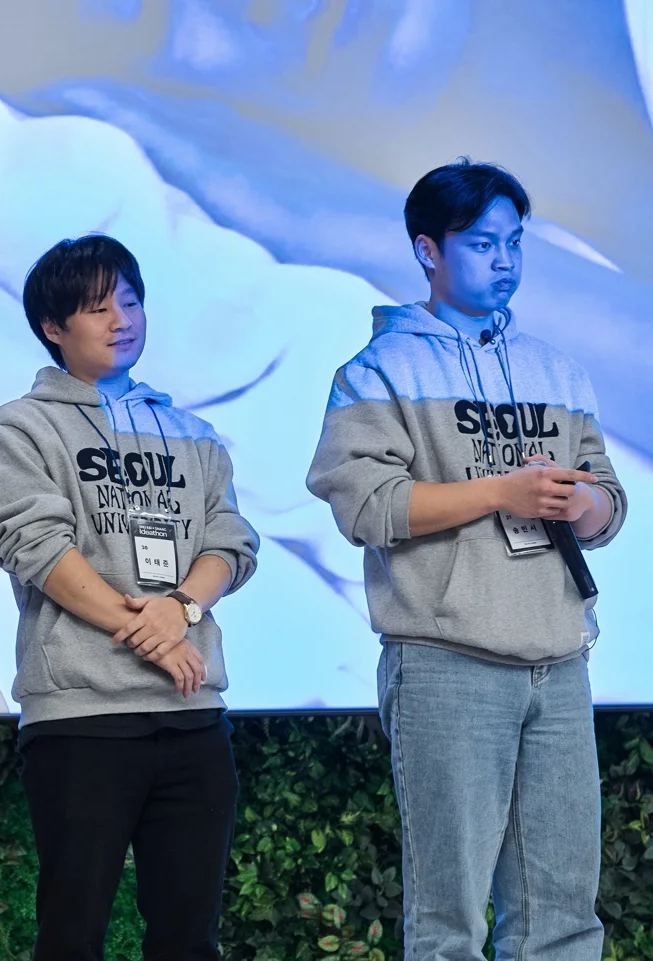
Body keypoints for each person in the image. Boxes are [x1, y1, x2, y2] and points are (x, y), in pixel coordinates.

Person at [307, 160, 627, 960]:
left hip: (558, 661)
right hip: (444, 661)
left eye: (514, 242)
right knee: (448, 924)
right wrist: (500, 492)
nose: (504, 260)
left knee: (563, 917)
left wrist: (581, 502)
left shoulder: (556, 370)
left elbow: (608, 504)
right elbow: (366, 507)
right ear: (428, 249)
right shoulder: (377, 370)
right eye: (482, 243)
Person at [0, 234, 258, 960]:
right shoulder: (22, 426)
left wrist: (181, 609)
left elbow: (230, 541)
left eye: (130, 302)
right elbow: (36, 546)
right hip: (82, 717)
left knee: (189, 938)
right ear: (53, 326)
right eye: (98, 307)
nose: (121, 320)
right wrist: (156, 637)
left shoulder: (192, 434)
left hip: (192, 718)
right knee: (72, 935)